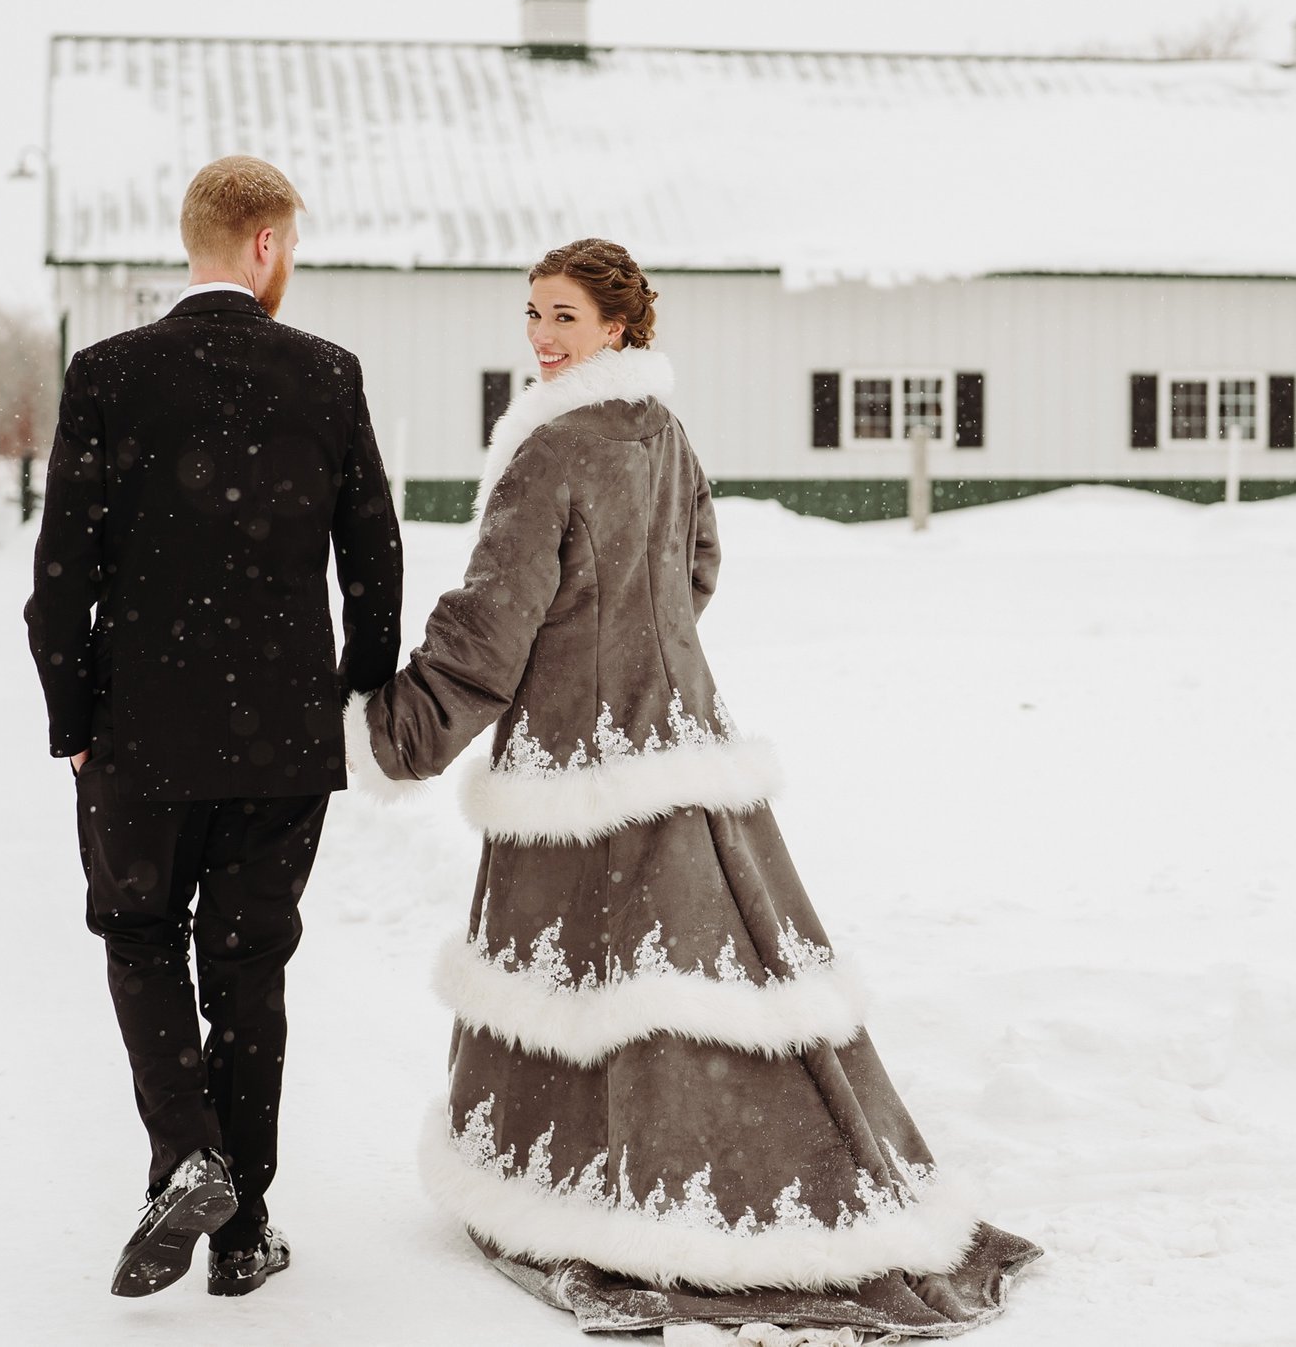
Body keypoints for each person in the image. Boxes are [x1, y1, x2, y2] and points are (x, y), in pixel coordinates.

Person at [351, 239, 1038, 1339]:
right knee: (698, 968)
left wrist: (393, 732)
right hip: (678, 734)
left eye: (566, 316)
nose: (542, 336)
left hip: (580, 760)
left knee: (595, 972)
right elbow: (699, 562)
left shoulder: (550, 447)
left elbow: (490, 627)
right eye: (533, 313)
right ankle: (754, 1168)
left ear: (619, 326)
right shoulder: (658, 431)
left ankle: (612, 1188)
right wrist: (639, 646)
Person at [25, 155, 403, 1299]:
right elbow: (373, 553)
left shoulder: (106, 374)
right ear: (267, 246)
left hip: (140, 732)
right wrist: (351, 684)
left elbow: (60, 575)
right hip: (281, 736)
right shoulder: (326, 376)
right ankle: (244, 1230)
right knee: (247, 966)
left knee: (141, 938)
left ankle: (188, 1151)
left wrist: (74, 719)